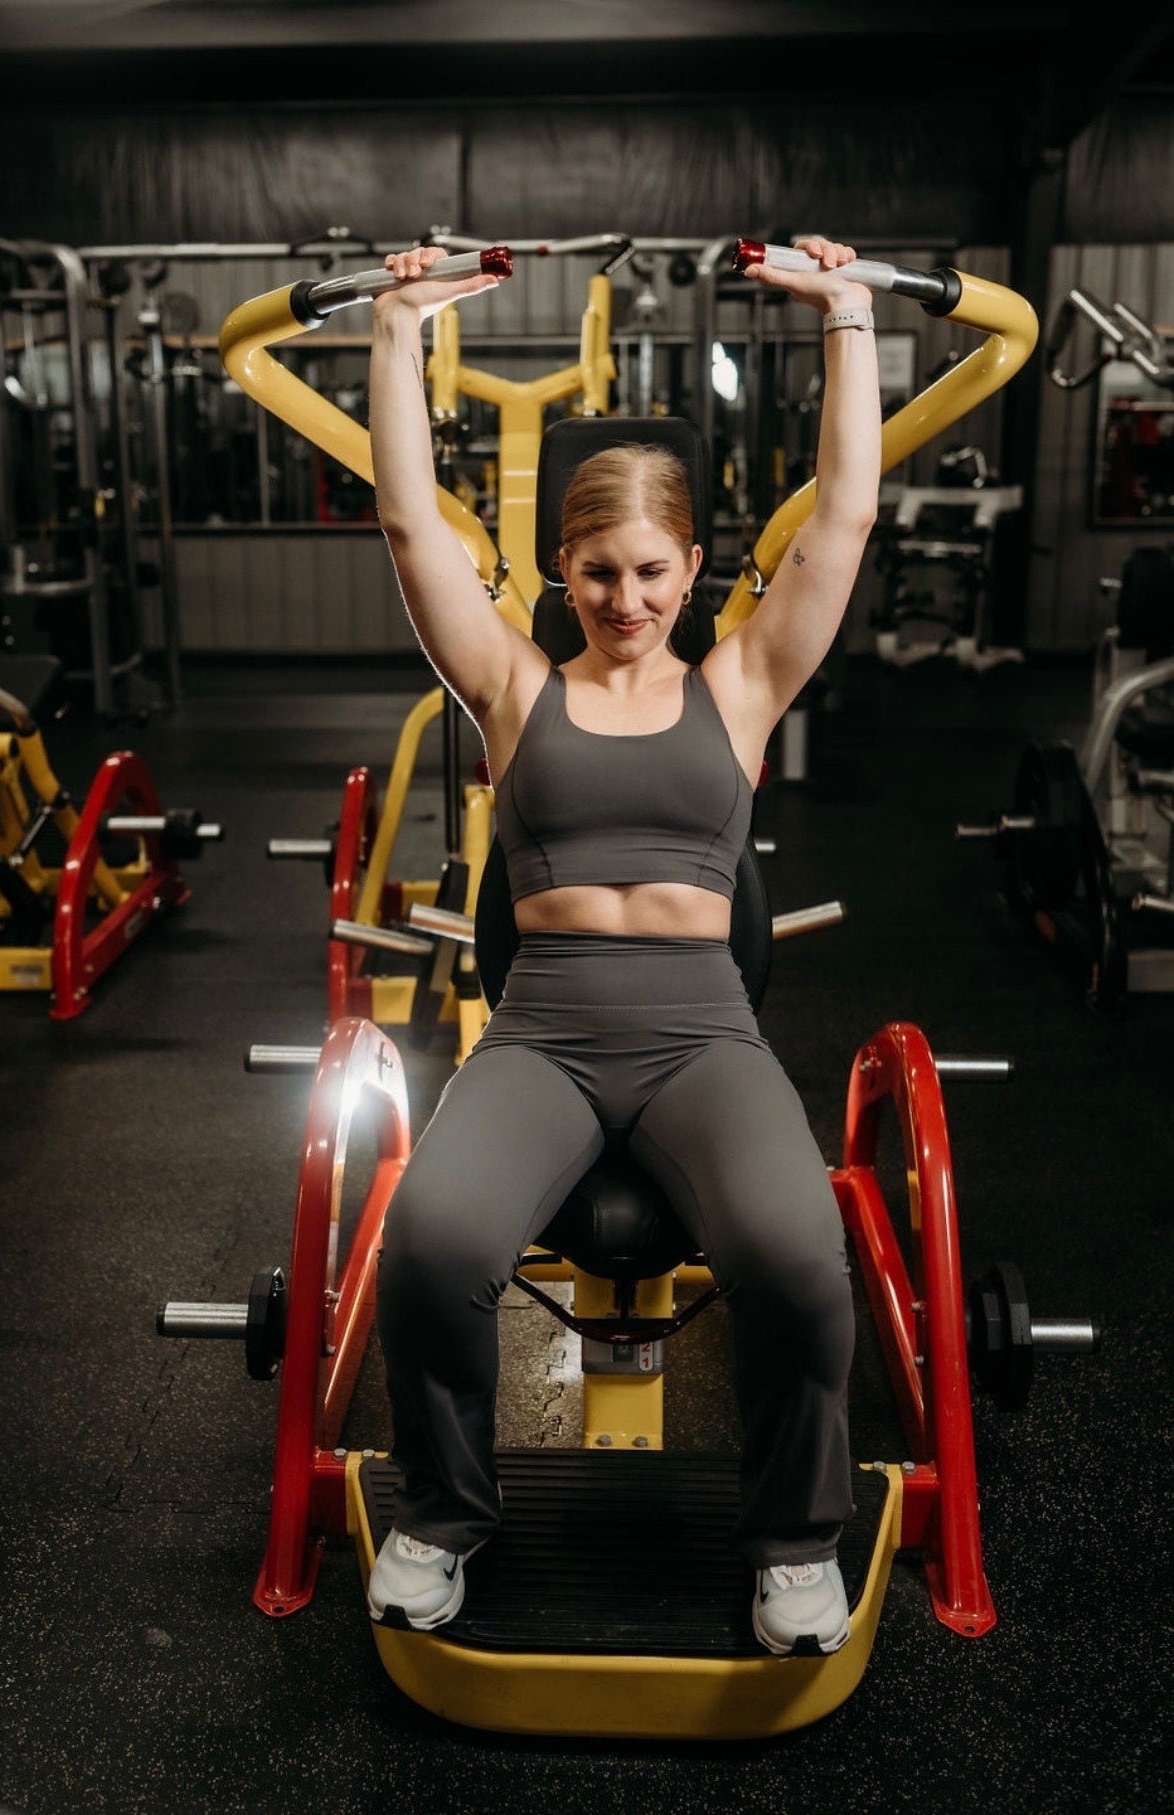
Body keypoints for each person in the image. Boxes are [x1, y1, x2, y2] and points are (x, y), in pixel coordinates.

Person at [364, 238, 880, 1655]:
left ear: (693, 566)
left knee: (791, 1253)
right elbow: (410, 523)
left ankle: (790, 1545)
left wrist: (846, 316)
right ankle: (443, 1518)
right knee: (432, 1242)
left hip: (701, 1033)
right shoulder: (511, 686)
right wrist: (398, 328)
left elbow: (841, 517)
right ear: (561, 570)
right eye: (597, 575)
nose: (625, 601)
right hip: (541, 1029)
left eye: (651, 573)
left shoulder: (744, 679)